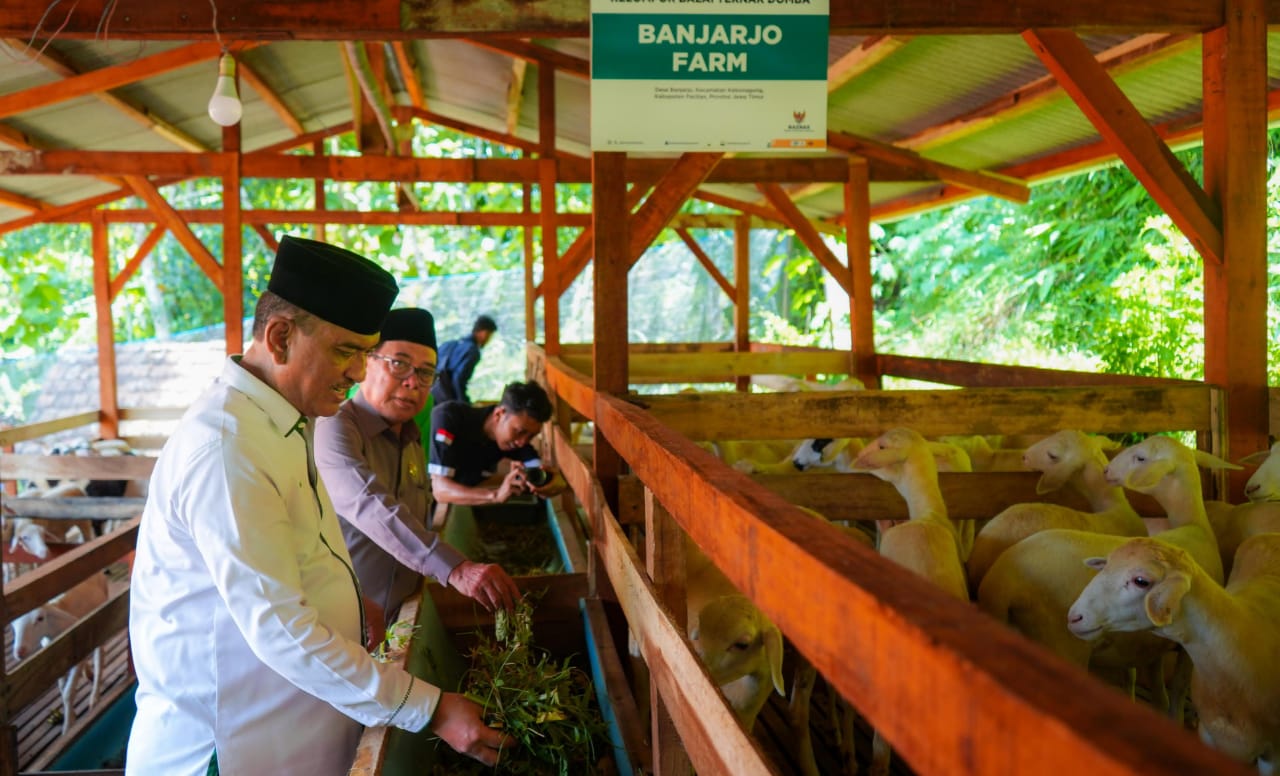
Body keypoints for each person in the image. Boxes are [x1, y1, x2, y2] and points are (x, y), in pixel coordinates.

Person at [127, 236, 506, 775]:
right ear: (280, 336)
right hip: (235, 748)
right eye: (346, 350)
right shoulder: (227, 448)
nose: (357, 372)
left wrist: (352, 600)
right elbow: (280, 629)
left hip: (295, 730)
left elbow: (299, 545)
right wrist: (432, 707)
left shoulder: (287, 418)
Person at [315, 307, 521, 621]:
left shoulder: (410, 437)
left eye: (426, 373)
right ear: (366, 362)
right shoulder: (335, 428)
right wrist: (457, 569)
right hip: (347, 625)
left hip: (403, 620)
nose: (414, 382)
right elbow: (372, 506)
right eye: (399, 364)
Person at [429, 380, 564, 506]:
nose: (522, 442)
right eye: (519, 432)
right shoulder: (448, 418)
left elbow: (538, 469)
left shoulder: (514, 442)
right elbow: (440, 490)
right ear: (499, 414)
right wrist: (495, 495)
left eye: (531, 436)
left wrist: (552, 482)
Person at [431, 314, 497, 405]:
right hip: (446, 402)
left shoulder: (449, 344)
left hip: (430, 397)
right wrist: (465, 405)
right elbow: (458, 379)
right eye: (490, 335)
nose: (489, 339)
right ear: (483, 332)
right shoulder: (472, 350)